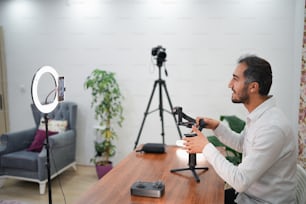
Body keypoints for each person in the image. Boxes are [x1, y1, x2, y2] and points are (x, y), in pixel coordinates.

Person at [184, 55, 298, 204]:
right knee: (202, 196)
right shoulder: (260, 116)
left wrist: (205, 147)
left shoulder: (272, 127)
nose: (229, 85)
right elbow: (241, 143)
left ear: (253, 87)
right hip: (248, 196)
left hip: (261, 201)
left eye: (235, 79)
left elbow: (240, 180)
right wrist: (217, 126)